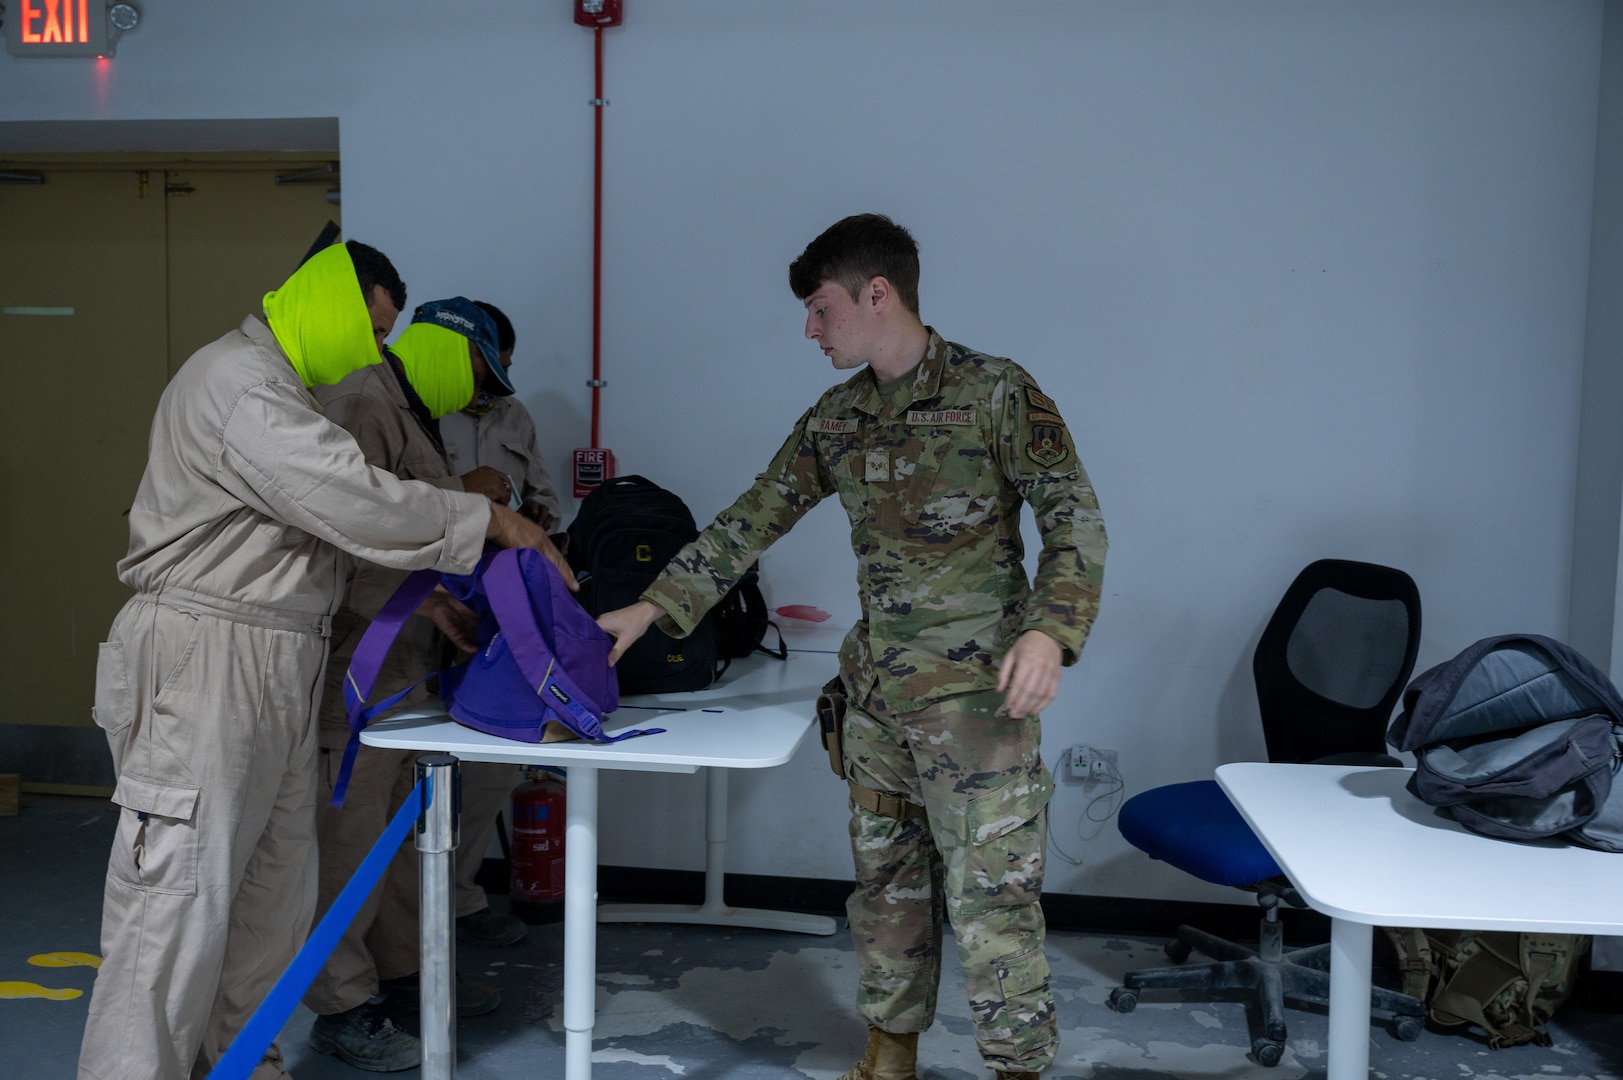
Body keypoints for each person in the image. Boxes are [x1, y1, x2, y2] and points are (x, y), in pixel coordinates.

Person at [596, 214, 1107, 1080]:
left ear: (878, 294)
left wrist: (1048, 633)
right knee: (886, 893)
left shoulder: (995, 393)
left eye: (820, 308)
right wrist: (646, 611)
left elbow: (1074, 522)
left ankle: (1017, 1069)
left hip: (975, 707)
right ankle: (888, 1054)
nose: (808, 329)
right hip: (876, 703)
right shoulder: (838, 418)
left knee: (993, 905)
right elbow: (751, 518)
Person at [78, 243, 568, 1080]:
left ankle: (243, 1065)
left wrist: (429, 600)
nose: (371, 353)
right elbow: (347, 495)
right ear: (329, 297)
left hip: (279, 657)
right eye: (369, 329)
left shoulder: (288, 394)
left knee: (273, 901)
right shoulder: (235, 381)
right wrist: (494, 522)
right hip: (206, 659)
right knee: (175, 910)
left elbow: (319, 543)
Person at [302, 297, 543, 1071]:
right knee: (348, 837)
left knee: (403, 836)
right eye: (477, 368)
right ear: (448, 347)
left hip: (409, 656)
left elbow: (409, 536)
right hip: (358, 662)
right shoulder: (362, 404)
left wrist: (444, 600)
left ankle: (403, 976)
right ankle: (343, 1004)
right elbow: (345, 536)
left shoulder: (409, 409)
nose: (480, 390)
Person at [439, 300, 563, 530]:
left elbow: (546, 497)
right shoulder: (428, 411)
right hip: (443, 556)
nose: (498, 379)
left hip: (504, 558)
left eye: (504, 368)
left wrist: (540, 511)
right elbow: (406, 498)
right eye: (489, 367)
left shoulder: (515, 415)